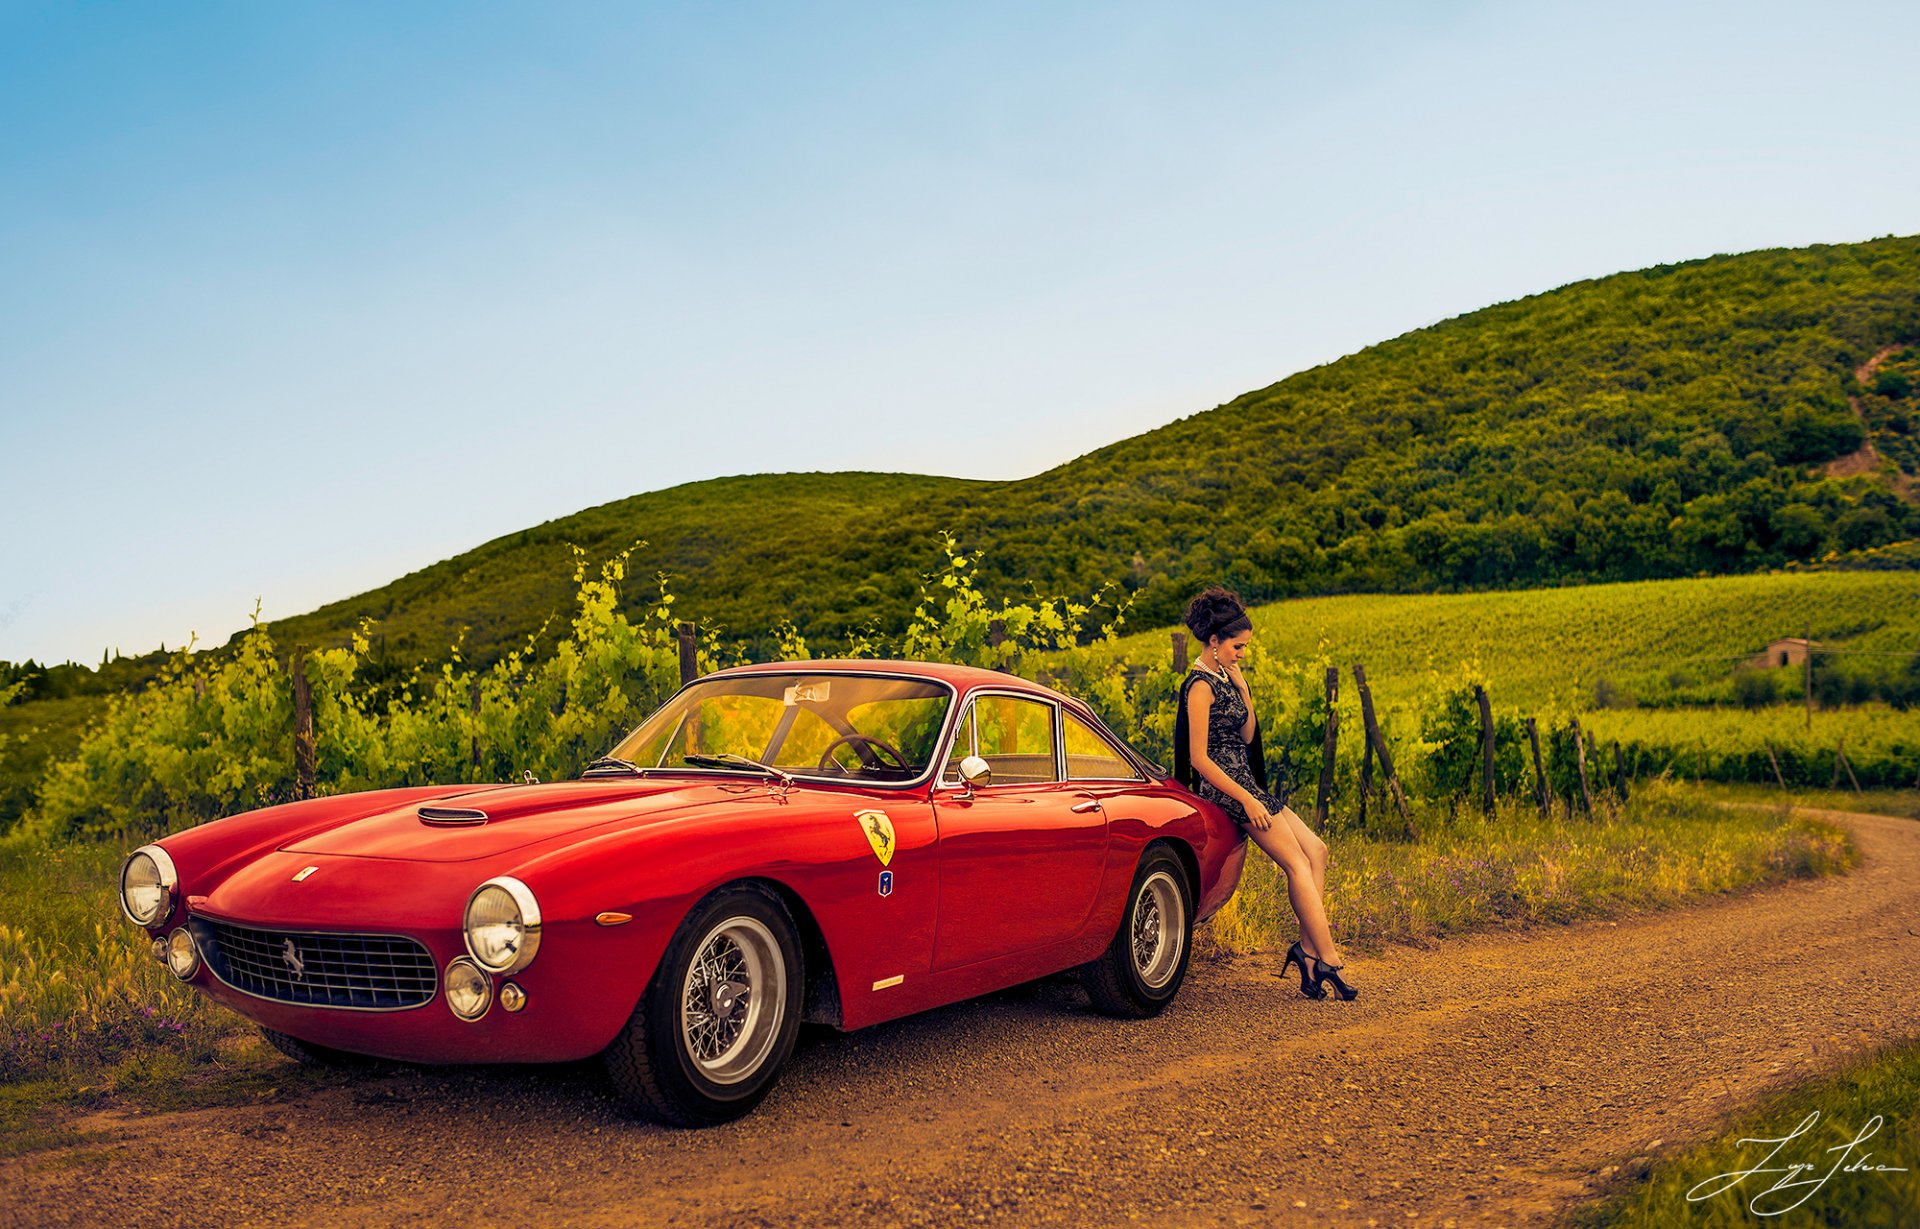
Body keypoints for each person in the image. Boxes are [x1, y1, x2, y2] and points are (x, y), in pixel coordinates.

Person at [1173, 586, 1357, 1000]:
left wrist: (1243, 690)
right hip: (1228, 789)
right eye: (1238, 647)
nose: (1243, 654)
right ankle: (1327, 956)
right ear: (1215, 642)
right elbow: (1199, 759)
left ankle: (1307, 952)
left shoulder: (1224, 678)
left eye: (1245, 648)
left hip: (1248, 783)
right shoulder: (1199, 686)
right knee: (1295, 862)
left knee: (1318, 852)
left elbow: (1247, 735)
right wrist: (1247, 800)